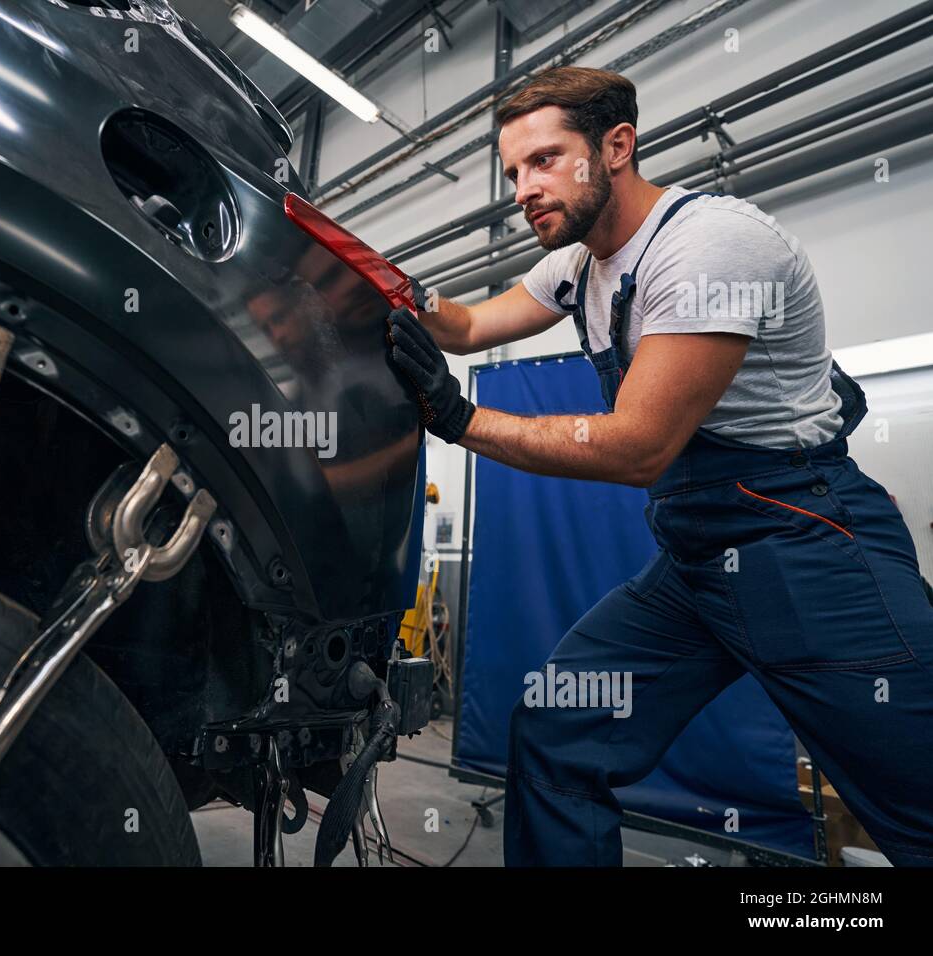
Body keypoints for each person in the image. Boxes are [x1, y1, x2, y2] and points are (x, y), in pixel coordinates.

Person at [386, 66, 933, 866]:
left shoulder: (708, 246)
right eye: (512, 172)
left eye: (544, 161)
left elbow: (641, 446)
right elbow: (466, 326)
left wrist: (460, 420)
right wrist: (371, 280)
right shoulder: (577, 266)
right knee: (558, 734)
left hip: (809, 545)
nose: (523, 189)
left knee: (918, 802)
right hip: (702, 559)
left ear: (616, 147)